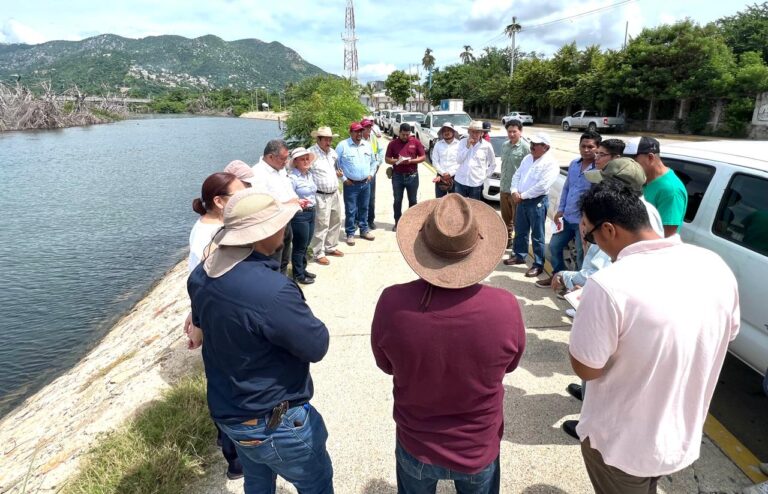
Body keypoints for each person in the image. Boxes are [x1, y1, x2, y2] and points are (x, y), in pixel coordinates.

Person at [569, 179, 739, 494]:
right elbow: (726, 333)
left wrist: (586, 319)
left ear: (609, 230)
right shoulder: (714, 265)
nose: (592, 244)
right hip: (678, 437)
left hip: (619, 445)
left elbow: (587, 368)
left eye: (590, 235)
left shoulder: (607, 285)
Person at [371, 194, 526, 494]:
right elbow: (511, 364)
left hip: (416, 443)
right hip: (477, 446)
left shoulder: (392, 302)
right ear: (477, 246)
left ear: (424, 245)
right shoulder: (505, 305)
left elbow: (385, 364)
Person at [188, 189, 334, 493]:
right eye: (279, 223)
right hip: (274, 420)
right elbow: (316, 345)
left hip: (231, 413)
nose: (284, 228)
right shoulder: (273, 291)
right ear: (262, 234)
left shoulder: (201, 275)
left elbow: (202, 323)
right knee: (315, 483)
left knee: (257, 481)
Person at [186, 171, 247, 480]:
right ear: (220, 201)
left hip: (221, 315)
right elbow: (199, 282)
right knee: (228, 385)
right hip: (220, 319)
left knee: (226, 381)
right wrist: (197, 321)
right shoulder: (208, 235)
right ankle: (234, 457)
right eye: (239, 195)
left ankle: (229, 440)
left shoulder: (215, 226)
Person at [536, 131, 601, 287]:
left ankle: (574, 287)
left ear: (597, 148)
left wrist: (587, 220)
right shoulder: (574, 164)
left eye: (590, 147)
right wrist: (561, 209)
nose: (586, 150)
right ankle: (557, 276)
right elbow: (567, 188)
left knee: (581, 255)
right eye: (583, 146)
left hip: (584, 222)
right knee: (554, 247)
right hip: (567, 217)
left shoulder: (598, 170)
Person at [503, 133, 559, 278]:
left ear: (546, 147)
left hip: (536, 201)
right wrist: (514, 191)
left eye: (536, 144)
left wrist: (522, 196)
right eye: (532, 143)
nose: (532, 146)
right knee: (520, 230)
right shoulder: (527, 158)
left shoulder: (551, 163)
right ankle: (519, 255)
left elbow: (543, 185)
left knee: (537, 235)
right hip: (521, 199)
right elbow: (517, 175)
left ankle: (538, 264)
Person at [251, 139, 299, 275]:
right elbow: (261, 204)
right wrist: (288, 204)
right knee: (274, 262)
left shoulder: (280, 169)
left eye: (287, 158)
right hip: (271, 227)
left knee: (285, 259)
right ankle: (276, 284)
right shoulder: (257, 173)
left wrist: (296, 201)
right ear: (271, 157)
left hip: (286, 221)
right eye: (283, 159)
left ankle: (284, 281)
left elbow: (287, 190)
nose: (286, 162)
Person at [624, 136, 688, 237]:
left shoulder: (671, 190)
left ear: (650, 157)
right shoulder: (642, 178)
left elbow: (667, 236)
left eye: (633, 161)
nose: (628, 165)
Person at [308, 126, 345, 266]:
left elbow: (333, 169)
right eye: (326, 139)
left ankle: (331, 247)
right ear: (318, 139)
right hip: (320, 195)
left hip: (334, 193)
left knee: (336, 220)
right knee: (321, 224)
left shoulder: (333, 153)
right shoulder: (310, 154)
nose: (329, 142)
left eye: (330, 139)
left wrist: (338, 174)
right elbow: (303, 172)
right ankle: (318, 253)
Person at [336, 121, 377, 245]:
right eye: (356, 131)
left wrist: (371, 174)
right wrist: (344, 179)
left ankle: (364, 230)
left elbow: (373, 162)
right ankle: (350, 233)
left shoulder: (367, 145)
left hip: (365, 183)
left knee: (364, 207)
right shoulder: (343, 146)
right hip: (351, 185)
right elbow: (335, 164)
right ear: (350, 132)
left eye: (360, 131)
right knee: (351, 210)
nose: (359, 134)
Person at [385, 122, 426, 231]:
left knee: (413, 200)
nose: (405, 137)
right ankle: (397, 223)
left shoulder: (415, 142)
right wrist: (397, 161)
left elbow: (423, 157)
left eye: (407, 134)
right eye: (403, 134)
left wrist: (411, 161)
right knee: (397, 200)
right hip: (397, 176)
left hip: (412, 176)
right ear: (399, 133)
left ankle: (411, 223)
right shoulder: (393, 144)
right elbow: (387, 159)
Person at [288, 147, 318, 285]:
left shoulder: (309, 175)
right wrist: (298, 202)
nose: (306, 161)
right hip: (300, 215)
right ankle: (298, 275)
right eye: (302, 159)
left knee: (306, 244)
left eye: (307, 159)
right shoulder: (292, 178)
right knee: (299, 245)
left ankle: (303, 269)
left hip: (311, 211)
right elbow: (290, 197)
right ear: (295, 162)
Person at [499, 119, 531, 248]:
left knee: (518, 221)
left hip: (516, 191)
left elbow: (529, 170)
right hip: (504, 188)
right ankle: (507, 241)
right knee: (506, 220)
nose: (511, 134)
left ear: (520, 131)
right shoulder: (504, 145)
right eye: (509, 131)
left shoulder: (526, 148)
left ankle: (519, 246)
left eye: (514, 131)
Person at [454, 120, 496, 200]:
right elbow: (458, 160)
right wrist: (467, 146)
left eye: (477, 132)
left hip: (476, 183)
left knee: (474, 206)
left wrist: (484, 176)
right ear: (468, 132)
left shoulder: (487, 146)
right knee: (459, 205)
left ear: (482, 133)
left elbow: (493, 164)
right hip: (460, 181)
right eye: (472, 132)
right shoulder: (462, 142)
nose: (474, 135)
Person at [362, 118, 385, 229]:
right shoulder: (358, 139)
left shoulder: (373, 138)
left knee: (371, 198)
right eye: (366, 128)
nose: (368, 130)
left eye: (369, 127)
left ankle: (370, 220)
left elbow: (380, 151)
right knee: (360, 198)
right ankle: (359, 220)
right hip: (360, 172)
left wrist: (377, 165)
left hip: (371, 172)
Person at [431, 122, 460, 198]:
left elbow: (461, 162)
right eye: (444, 131)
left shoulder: (459, 144)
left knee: (454, 201)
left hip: (455, 177)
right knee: (440, 201)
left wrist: (450, 173)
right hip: (440, 177)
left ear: (453, 132)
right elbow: (435, 161)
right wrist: (443, 173)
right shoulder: (438, 144)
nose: (446, 132)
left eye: (449, 130)